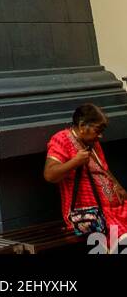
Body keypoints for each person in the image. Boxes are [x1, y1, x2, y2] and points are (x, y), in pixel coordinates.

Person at [44, 102, 127, 249]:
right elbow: (49, 175)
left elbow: (103, 168)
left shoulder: (92, 142)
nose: (100, 135)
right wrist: (75, 162)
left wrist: (117, 186)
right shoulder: (61, 139)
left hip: (113, 207)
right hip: (90, 212)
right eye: (97, 130)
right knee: (119, 237)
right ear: (82, 126)